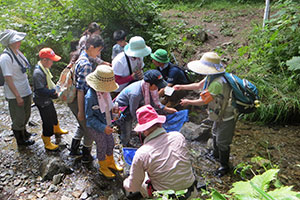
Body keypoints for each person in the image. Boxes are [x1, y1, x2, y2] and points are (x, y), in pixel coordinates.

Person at [174, 52, 236, 177]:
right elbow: (198, 85)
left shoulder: (217, 83)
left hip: (227, 114)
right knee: (214, 133)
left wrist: (188, 102)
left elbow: (204, 101)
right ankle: (215, 154)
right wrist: (182, 87)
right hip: (219, 112)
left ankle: (224, 166)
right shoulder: (212, 76)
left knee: (222, 141)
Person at [123, 104, 198, 199]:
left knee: (140, 179)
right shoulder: (178, 136)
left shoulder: (142, 153)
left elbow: (133, 187)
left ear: (143, 131)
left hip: (166, 197)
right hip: (191, 193)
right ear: (160, 124)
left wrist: (125, 181)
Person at [115, 69, 177, 146]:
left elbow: (154, 103)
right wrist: (141, 124)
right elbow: (133, 111)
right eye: (157, 86)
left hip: (137, 104)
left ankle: (131, 132)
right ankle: (124, 143)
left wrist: (166, 109)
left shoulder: (149, 89)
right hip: (124, 109)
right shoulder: (136, 93)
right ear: (150, 84)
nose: (159, 89)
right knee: (126, 127)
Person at [68, 34, 104, 163]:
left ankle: (74, 149)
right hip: (79, 100)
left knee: (81, 125)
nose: (99, 54)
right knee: (89, 129)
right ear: (92, 47)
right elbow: (81, 89)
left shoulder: (82, 54)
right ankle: (86, 156)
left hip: (73, 100)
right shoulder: (86, 64)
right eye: (99, 50)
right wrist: (81, 111)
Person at [85, 65, 123, 178]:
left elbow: (108, 108)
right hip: (95, 126)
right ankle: (103, 166)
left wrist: (115, 113)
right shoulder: (90, 97)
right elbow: (90, 118)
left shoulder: (106, 93)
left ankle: (110, 162)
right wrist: (102, 127)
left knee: (110, 143)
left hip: (106, 122)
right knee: (101, 145)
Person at [0, 29, 35, 146]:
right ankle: (20, 141)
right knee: (18, 117)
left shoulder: (18, 52)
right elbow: (8, 78)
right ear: (9, 42)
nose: (19, 42)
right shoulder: (5, 58)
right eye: (16, 40)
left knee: (26, 114)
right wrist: (17, 96)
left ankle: (25, 133)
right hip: (15, 93)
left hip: (25, 89)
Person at [33, 48, 68, 151]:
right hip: (42, 101)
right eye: (51, 60)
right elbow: (40, 90)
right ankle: (47, 140)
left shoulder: (44, 69)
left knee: (53, 114)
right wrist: (53, 93)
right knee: (47, 121)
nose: (52, 63)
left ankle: (57, 129)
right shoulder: (38, 73)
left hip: (47, 99)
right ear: (44, 60)